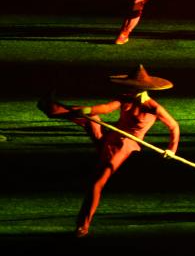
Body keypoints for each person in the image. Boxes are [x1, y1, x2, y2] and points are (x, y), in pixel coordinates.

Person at [36, 64, 180, 237]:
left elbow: (174, 126)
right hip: (110, 138)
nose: (127, 89)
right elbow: (106, 108)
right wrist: (86, 110)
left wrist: (171, 149)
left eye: (131, 86)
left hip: (125, 145)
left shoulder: (153, 108)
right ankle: (50, 108)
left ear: (141, 89)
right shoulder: (125, 98)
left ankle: (83, 226)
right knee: (91, 117)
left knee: (97, 183)